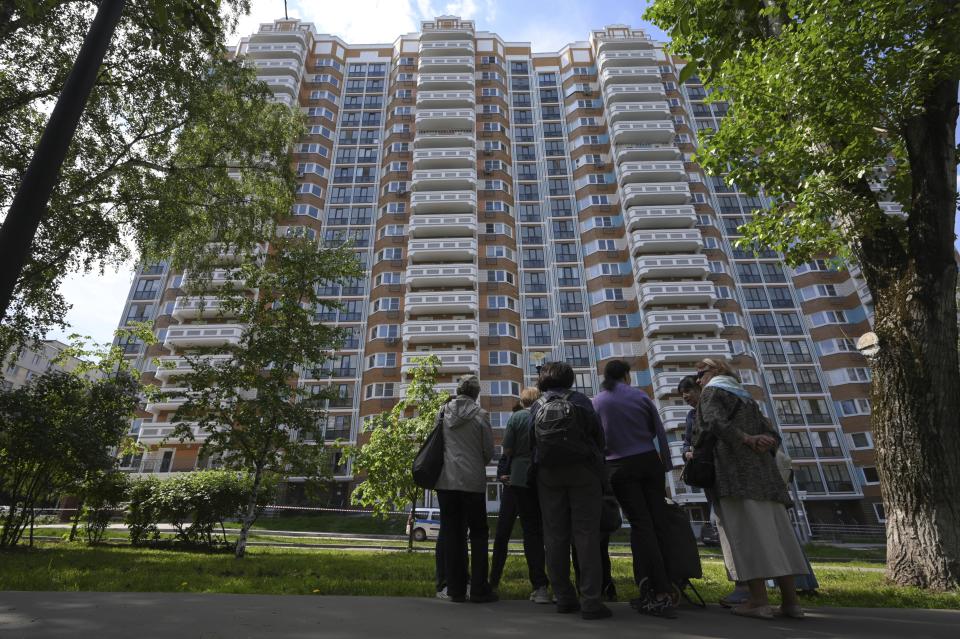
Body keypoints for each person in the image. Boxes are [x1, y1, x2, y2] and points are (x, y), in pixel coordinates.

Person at [692, 358, 808, 620]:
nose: (698, 380)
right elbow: (772, 434)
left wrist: (746, 439)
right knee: (779, 536)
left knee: (747, 535)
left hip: (735, 475)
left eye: (701, 373)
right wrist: (762, 441)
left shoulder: (713, 391)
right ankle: (791, 602)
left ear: (717, 370)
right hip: (766, 479)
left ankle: (758, 601)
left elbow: (712, 422)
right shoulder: (746, 397)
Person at [592, 359, 676, 618]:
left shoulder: (598, 402)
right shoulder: (641, 397)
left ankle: (657, 590)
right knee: (656, 522)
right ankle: (662, 587)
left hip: (618, 467)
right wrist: (666, 465)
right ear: (627, 376)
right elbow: (658, 432)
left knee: (640, 525)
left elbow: (596, 440)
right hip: (649, 462)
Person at [530, 362, 612, 620]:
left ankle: (564, 597)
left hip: (548, 475)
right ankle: (591, 601)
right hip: (583, 472)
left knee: (554, 537)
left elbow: (530, 443)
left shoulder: (537, 405)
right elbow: (599, 437)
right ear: (569, 379)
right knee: (586, 535)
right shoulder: (581, 402)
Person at [678, 374, 750, 608]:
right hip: (711, 478)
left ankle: (749, 585)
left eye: (688, 391)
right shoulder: (691, 416)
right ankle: (742, 584)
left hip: (730, 474)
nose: (686, 396)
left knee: (737, 527)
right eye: (682, 395)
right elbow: (688, 442)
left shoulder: (718, 410)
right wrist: (687, 451)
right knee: (724, 527)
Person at [434, 376, 497, 603]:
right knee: (478, 533)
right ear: (476, 394)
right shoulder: (481, 415)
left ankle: (455, 589)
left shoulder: (442, 413)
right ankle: (479, 588)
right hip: (472, 482)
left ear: (458, 391)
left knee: (452, 533)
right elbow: (489, 451)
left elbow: (437, 443)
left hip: (446, 481)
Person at [501, 388, 550, 603]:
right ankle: (561, 585)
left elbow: (507, 450)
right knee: (553, 530)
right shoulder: (545, 413)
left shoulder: (517, 418)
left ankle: (540, 586)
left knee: (531, 532)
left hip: (521, 477)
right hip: (547, 475)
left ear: (522, 401)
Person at [489, 403, 521, 591]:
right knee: (502, 535)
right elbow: (503, 461)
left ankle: (540, 583)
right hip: (510, 490)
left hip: (526, 489)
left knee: (534, 535)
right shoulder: (511, 442)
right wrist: (502, 476)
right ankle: (494, 580)